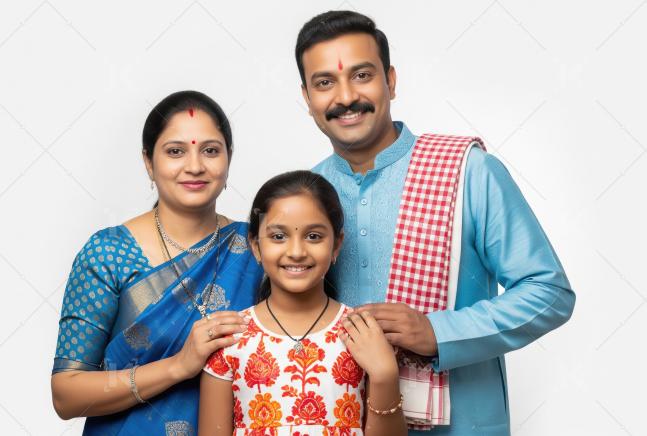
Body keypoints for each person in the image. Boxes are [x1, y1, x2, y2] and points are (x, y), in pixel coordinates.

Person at [297, 10, 576, 435]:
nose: (346, 96)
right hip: (340, 420)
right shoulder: (305, 196)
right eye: (324, 83)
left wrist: (438, 332)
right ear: (307, 98)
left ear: (391, 81)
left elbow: (549, 293)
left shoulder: (467, 172)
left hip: (461, 424)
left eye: (362, 75)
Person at [50, 90, 263, 435]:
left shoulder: (257, 248)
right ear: (149, 162)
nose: (195, 166)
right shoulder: (109, 253)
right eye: (175, 151)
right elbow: (67, 395)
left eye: (210, 150)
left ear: (229, 159)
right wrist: (178, 366)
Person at [198, 171, 407, 435]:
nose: (296, 252)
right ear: (256, 246)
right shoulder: (230, 339)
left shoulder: (363, 334)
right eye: (278, 237)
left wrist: (385, 375)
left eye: (313, 236)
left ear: (336, 245)